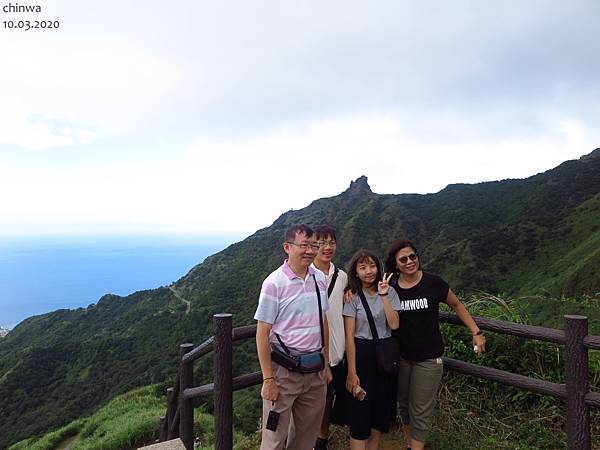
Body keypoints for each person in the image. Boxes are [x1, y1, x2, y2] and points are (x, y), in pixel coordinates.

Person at [384, 240, 487, 450]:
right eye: (403, 259)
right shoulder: (391, 285)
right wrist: (350, 292)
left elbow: (457, 305)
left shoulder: (433, 283)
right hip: (402, 356)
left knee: (420, 409)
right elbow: (368, 289)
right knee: (403, 405)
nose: (410, 261)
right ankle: (410, 445)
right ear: (395, 264)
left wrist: (476, 331)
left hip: (429, 358)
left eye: (413, 256)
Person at [254, 224, 332, 450]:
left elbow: (323, 321)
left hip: (315, 370)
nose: (310, 250)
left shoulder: (319, 279)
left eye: (313, 245)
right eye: (303, 245)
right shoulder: (274, 283)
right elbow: (262, 332)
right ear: (287, 247)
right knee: (273, 439)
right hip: (284, 374)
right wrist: (268, 379)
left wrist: (326, 362)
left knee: (306, 438)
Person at [343, 249, 401, 450]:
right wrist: (351, 372)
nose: (368, 271)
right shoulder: (352, 296)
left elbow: (394, 325)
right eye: (363, 267)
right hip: (361, 355)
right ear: (356, 272)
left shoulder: (390, 292)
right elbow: (349, 336)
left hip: (384, 356)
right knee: (359, 413)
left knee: (380, 411)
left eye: (372, 266)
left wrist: (384, 295)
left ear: (379, 267)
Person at [312, 225, 349, 450]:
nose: (327, 248)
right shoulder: (306, 274)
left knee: (328, 399)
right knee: (310, 402)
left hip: (337, 352)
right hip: (312, 353)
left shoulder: (341, 276)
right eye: (321, 243)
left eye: (331, 243)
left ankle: (322, 439)